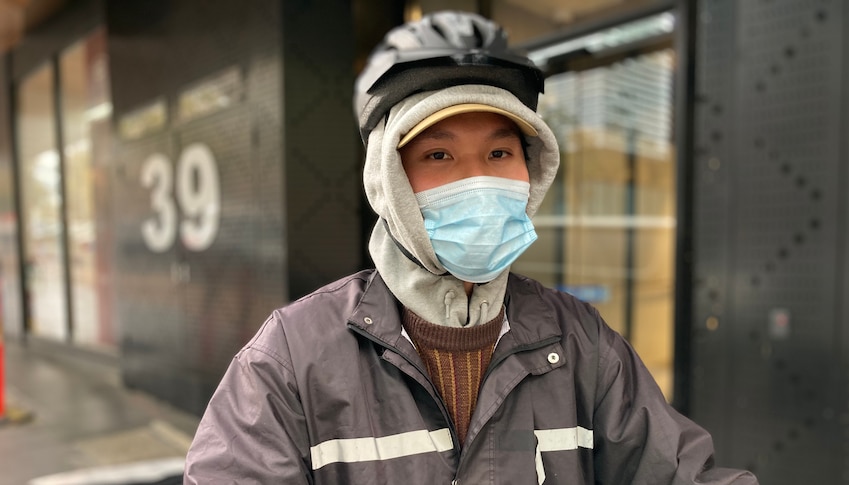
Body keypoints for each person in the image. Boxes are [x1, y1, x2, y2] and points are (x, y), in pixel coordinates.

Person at [184, 11, 758, 484]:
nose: (478, 180)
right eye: (438, 155)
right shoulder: (290, 360)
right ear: (389, 180)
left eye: (499, 154)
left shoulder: (583, 345)